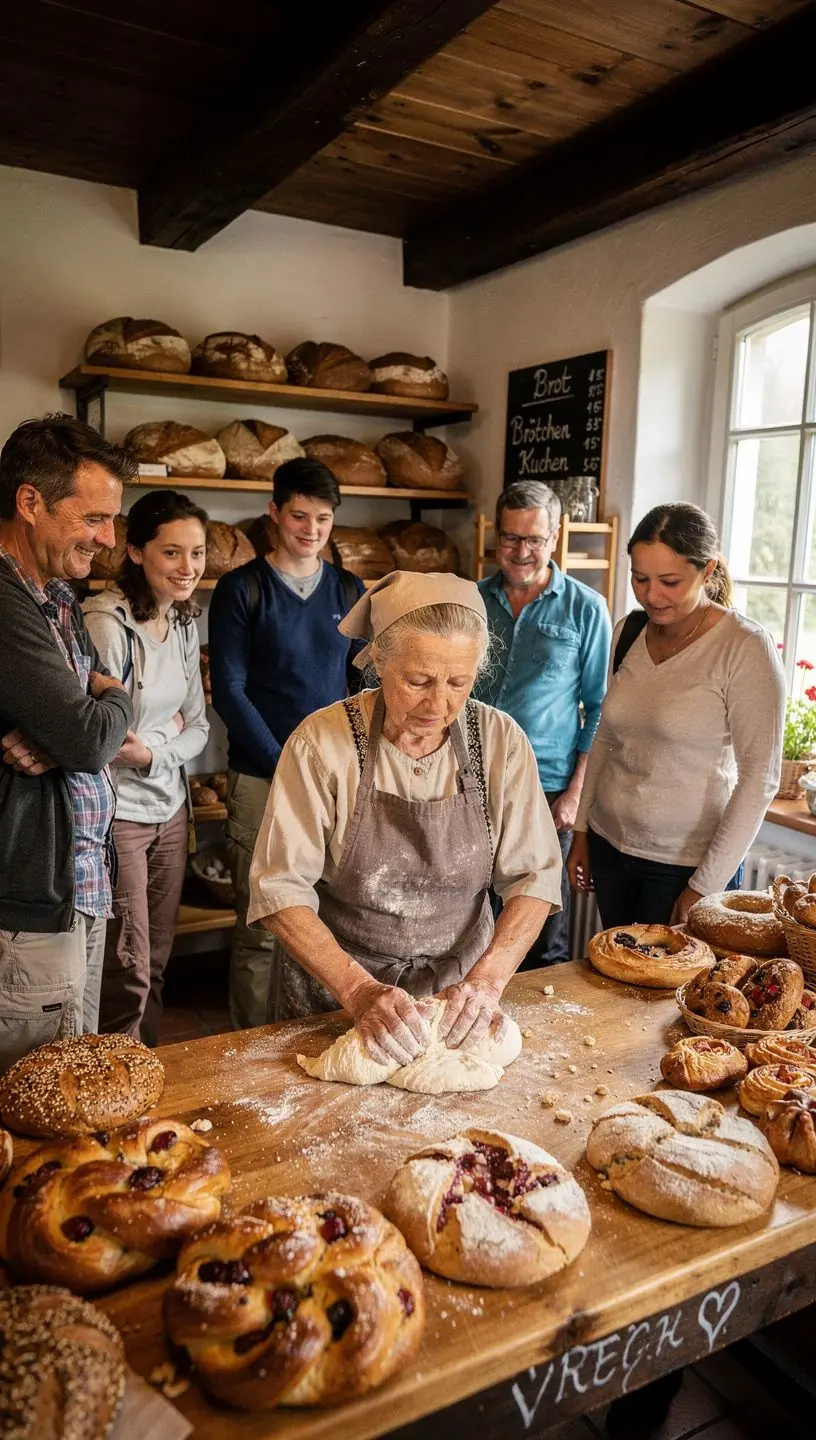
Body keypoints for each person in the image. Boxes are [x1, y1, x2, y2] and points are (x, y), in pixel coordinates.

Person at [247, 571, 563, 1061]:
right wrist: (358, 992)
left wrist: (487, 980)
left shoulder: (500, 742)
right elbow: (278, 888)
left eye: (459, 682)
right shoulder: (321, 744)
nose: (438, 704)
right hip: (336, 997)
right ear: (378, 661)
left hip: (457, 1001)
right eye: (419, 681)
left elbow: (535, 878)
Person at [567, 502, 786, 928]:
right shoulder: (628, 631)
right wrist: (581, 830)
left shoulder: (745, 647)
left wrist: (704, 885)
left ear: (707, 572)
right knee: (614, 987)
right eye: (640, 578)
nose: (651, 595)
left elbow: (761, 777)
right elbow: (607, 736)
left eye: (669, 581)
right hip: (610, 848)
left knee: (670, 994)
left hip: (683, 867)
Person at [209, 456, 366, 1030]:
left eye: (323, 518)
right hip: (260, 778)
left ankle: (311, 1040)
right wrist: (286, 764)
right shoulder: (241, 588)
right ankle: (251, 1052)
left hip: (333, 784)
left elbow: (358, 685)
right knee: (260, 930)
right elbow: (228, 691)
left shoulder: (350, 589)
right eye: (299, 515)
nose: (311, 529)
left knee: (326, 927)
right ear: (274, 513)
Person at [0, 413, 135, 1068]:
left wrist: (81, 721)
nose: (108, 540)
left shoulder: (55, 593)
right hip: (29, 896)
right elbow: (87, 738)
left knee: (70, 1082)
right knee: (28, 1103)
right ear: (30, 502)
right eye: (94, 518)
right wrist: (113, 699)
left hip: (80, 885)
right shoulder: (5, 597)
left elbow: (77, 732)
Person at [83, 490, 210, 1045]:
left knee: (158, 955)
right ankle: (114, 1085)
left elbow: (200, 726)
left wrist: (153, 748)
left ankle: (146, 1072)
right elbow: (103, 739)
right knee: (127, 967)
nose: (189, 568)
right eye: (172, 553)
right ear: (135, 551)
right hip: (121, 814)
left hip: (171, 807)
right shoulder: (106, 623)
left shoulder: (183, 621)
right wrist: (166, 736)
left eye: (198, 553)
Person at [474, 480, 611, 965]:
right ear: (495, 537)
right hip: (470, 785)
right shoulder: (469, 600)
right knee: (471, 929)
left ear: (554, 538)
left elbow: (600, 708)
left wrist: (576, 795)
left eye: (534, 539)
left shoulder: (586, 608)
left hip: (548, 795)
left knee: (541, 934)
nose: (522, 550)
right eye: (511, 537)